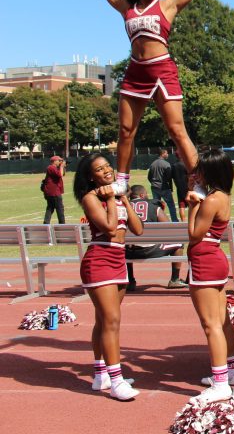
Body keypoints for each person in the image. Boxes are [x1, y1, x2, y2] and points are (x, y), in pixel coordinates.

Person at [72, 0, 234, 196]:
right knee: (125, 131)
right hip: (136, 71)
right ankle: (122, 180)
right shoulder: (125, 6)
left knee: (176, 130)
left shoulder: (168, 5)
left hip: (162, 70)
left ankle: (199, 182)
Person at [74, 152, 144, 401]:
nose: (106, 171)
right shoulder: (90, 198)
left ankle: (100, 374)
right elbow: (110, 227)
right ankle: (116, 381)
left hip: (118, 260)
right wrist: (112, 198)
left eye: (107, 166)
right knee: (112, 321)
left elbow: (137, 229)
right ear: (91, 177)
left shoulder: (116, 195)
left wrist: (123, 201)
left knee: (104, 321)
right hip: (99, 260)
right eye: (99, 169)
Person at [184, 149, 234, 403]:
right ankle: (231, 371)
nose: (197, 174)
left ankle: (220, 382)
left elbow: (194, 233)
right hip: (214, 257)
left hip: (204, 259)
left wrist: (192, 205)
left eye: (201, 170)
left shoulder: (212, 200)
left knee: (211, 324)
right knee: (222, 320)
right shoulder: (222, 196)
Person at [124, 184, 186, 291]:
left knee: (125, 244)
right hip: (151, 249)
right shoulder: (153, 206)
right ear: (142, 195)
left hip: (128, 252)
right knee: (179, 243)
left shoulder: (123, 207)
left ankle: (130, 280)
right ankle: (174, 279)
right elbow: (168, 227)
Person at [148, 149, 178, 221]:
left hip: (154, 187)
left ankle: (157, 220)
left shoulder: (153, 164)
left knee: (157, 205)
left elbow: (149, 177)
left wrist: (154, 183)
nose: (167, 155)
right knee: (171, 205)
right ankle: (174, 220)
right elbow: (169, 177)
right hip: (164, 187)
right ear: (163, 154)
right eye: (167, 153)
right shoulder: (166, 164)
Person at [42, 155, 66, 225]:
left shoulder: (54, 168)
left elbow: (62, 174)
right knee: (60, 208)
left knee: (50, 208)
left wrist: (63, 167)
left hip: (51, 192)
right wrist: (61, 167)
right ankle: (62, 224)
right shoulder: (51, 167)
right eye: (59, 160)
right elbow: (59, 175)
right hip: (54, 192)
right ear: (54, 161)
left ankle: (46, 223)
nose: (60, 162)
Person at [172, 148, 189, 223]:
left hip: (179, 187)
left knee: (181, 205)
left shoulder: (174, 165)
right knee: (192, 204)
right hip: (188, 187)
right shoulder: (186, 164)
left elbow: (172, 176)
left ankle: (183, 221)